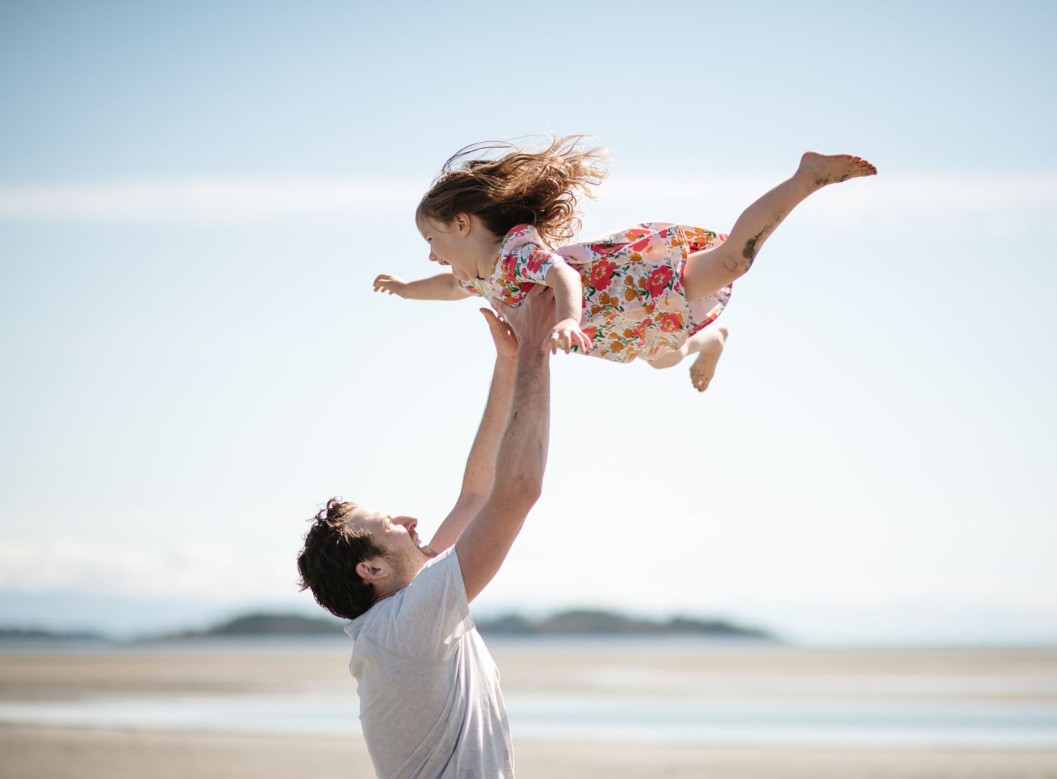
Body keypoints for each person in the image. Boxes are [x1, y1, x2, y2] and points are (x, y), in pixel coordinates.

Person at [373, 135, 877, 391]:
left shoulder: (516, 250)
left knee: (731, 264)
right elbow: (445, 286)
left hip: (634, 285)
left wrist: (569, 318)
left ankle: (806, 177)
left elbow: (563, 275)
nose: (432, 253)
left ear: (463, 223)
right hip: (624, 326)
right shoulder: (482, 277)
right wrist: (402, 287)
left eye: (432, 237)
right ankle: (710, 339)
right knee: (661, 358)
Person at [296, 288, 556, 779]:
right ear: (372, 568)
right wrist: (537, 352)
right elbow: (517, 490)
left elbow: (476, 496)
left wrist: (509, 361)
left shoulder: (401, 615)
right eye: (391, 525)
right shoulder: (409, 623)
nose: (411, 520)